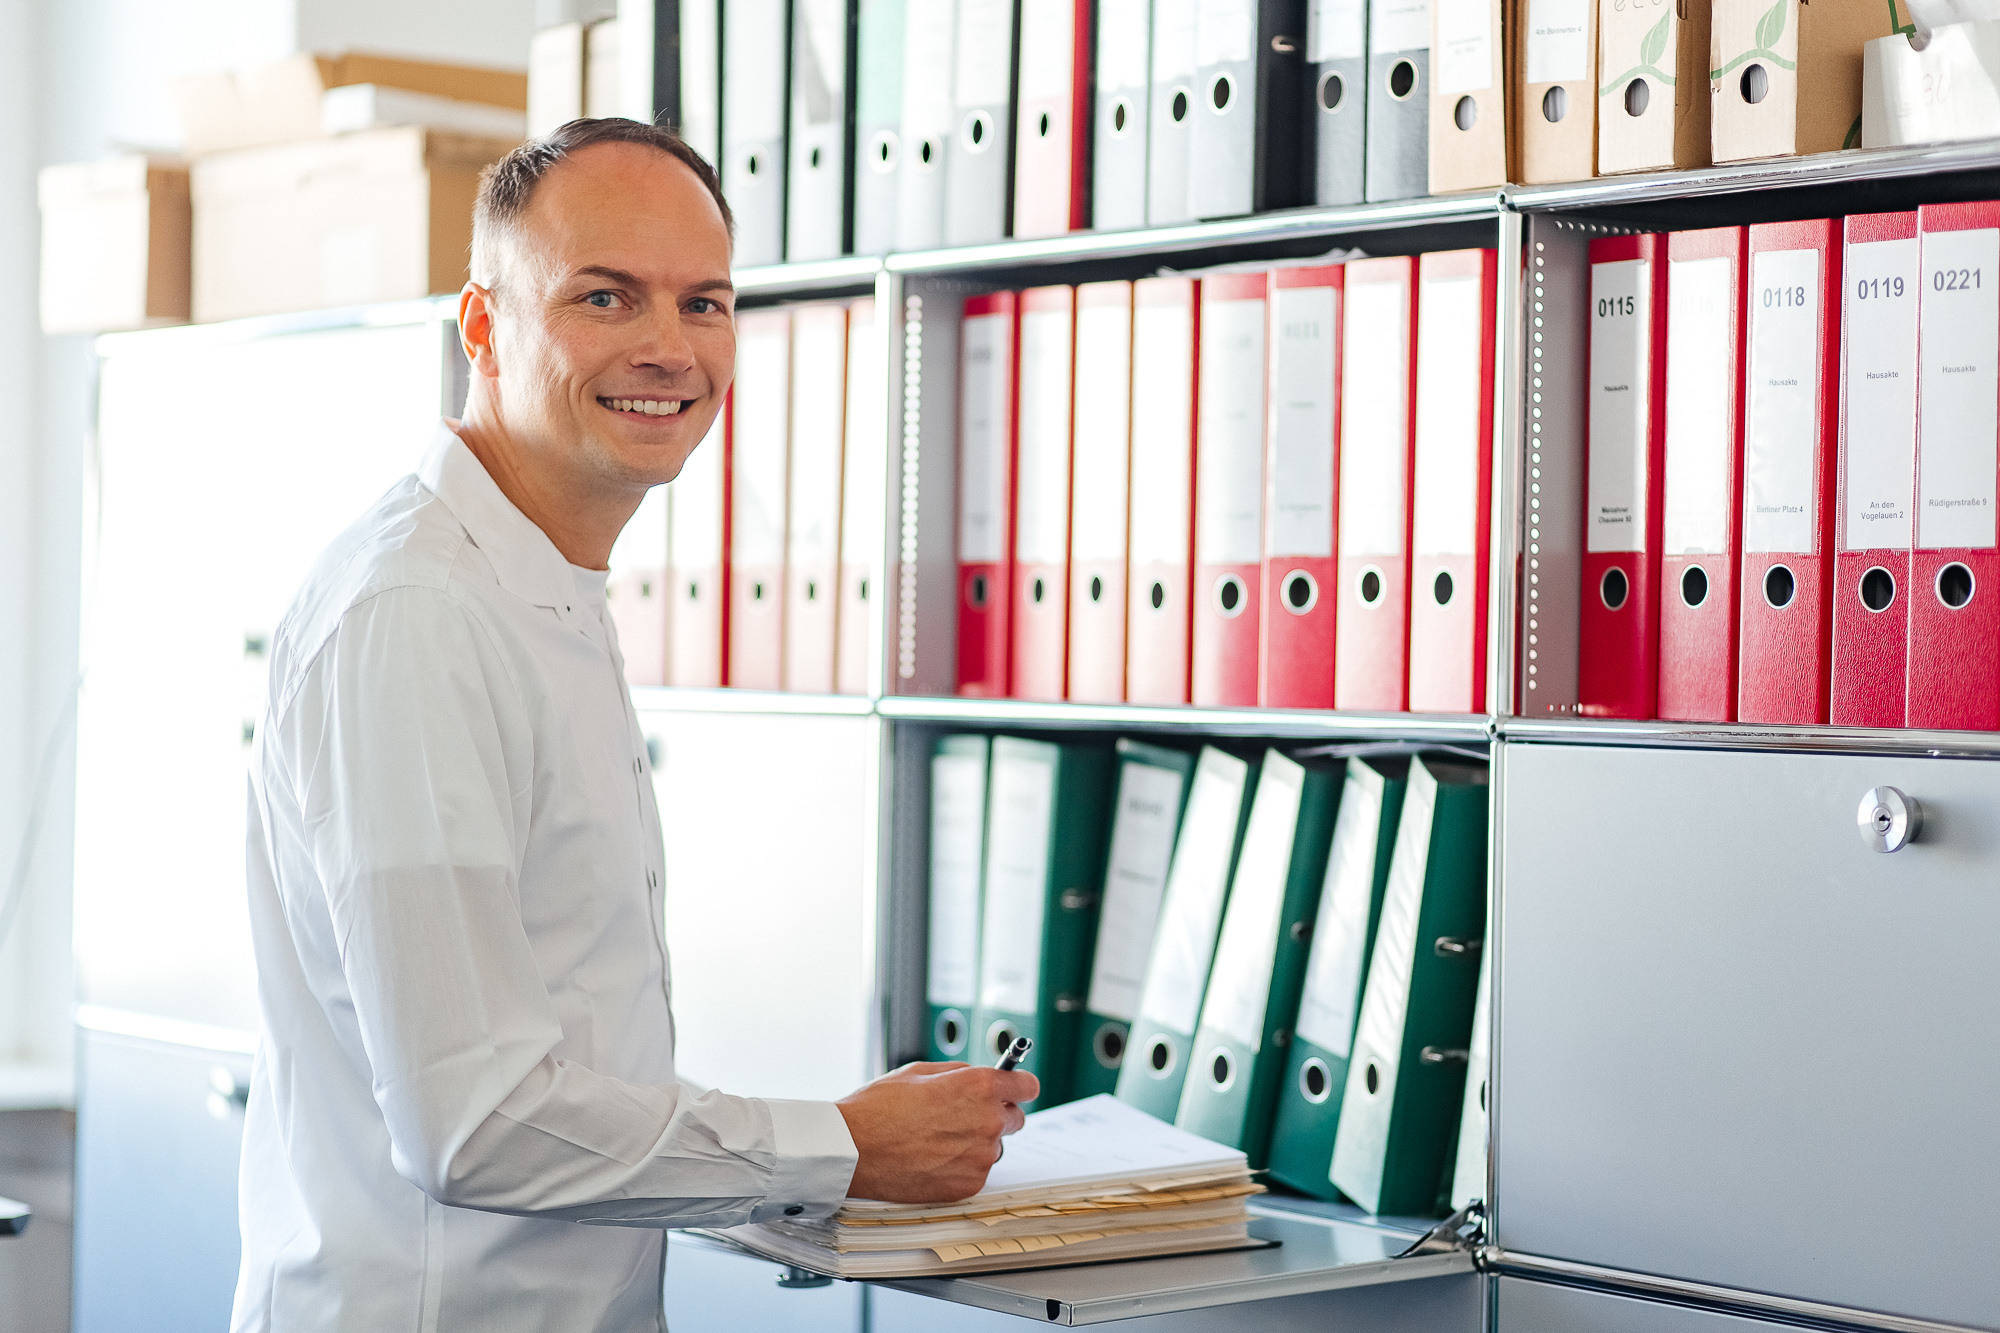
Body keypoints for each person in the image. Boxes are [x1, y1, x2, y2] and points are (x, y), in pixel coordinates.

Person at [230, 117, 1037, 1333]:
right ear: (485, 327)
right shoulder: (415, 616)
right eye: (605, 298)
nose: (668, 348)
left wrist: (834, 1162)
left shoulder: (542, 582)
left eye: (704, 304)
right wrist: (837, 1148)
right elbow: (475, 1124)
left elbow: (572, 1073)